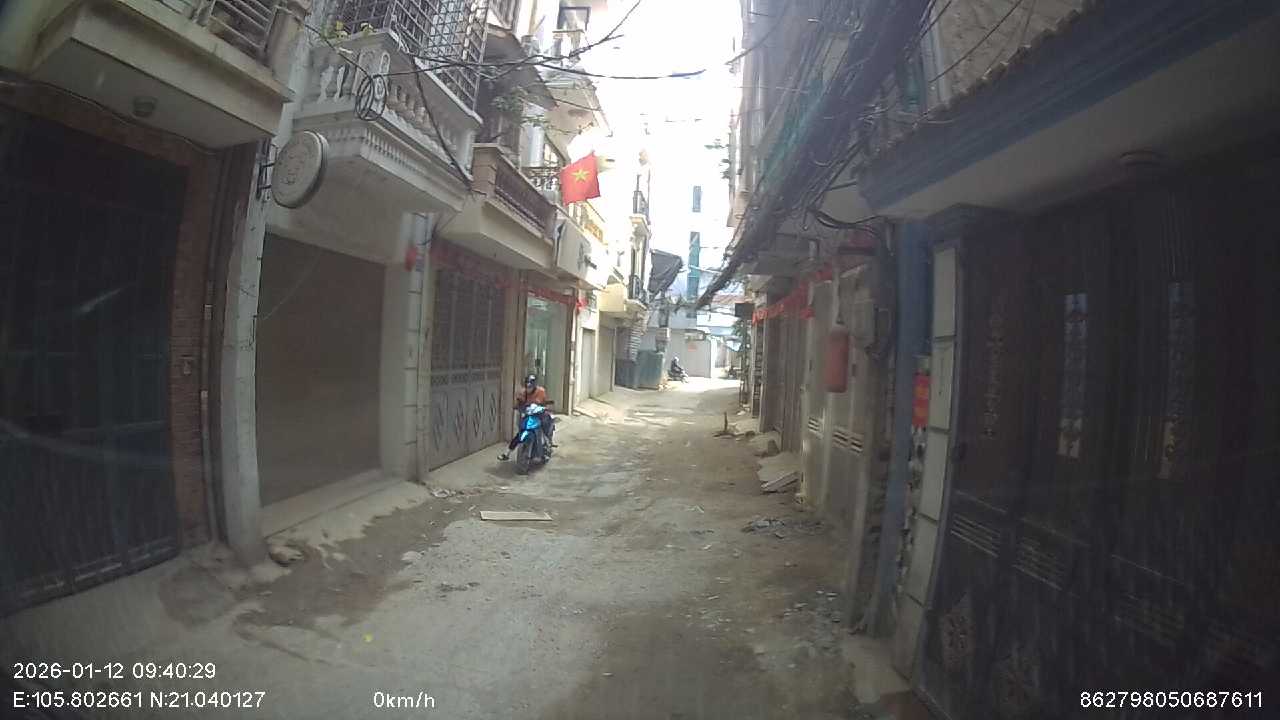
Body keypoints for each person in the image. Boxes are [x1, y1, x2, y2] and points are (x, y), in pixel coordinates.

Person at [499, 374, 554, 461]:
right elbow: (518, 402)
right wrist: (517, 405)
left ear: (534, 386)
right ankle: (507, 453)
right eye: (527, 386)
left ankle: (547, 446)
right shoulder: (523, 392)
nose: (528, 389)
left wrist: (544, 406)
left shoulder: (541, 391)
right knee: (520, 432)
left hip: (540, 414)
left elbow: (545, 402)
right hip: (529, 415)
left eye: (530, 387)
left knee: (544, 425)